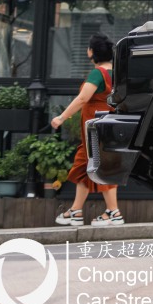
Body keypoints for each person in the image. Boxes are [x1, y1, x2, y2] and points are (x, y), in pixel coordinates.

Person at [51, 34, 124, 226]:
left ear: (92, 52)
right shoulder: (117, 73)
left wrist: (61, 117)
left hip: (93, 129)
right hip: (109, 127)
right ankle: (76, 211)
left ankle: (113, 211)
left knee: (97, 166)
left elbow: (83, 98)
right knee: (86, 167)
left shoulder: (97, 74)